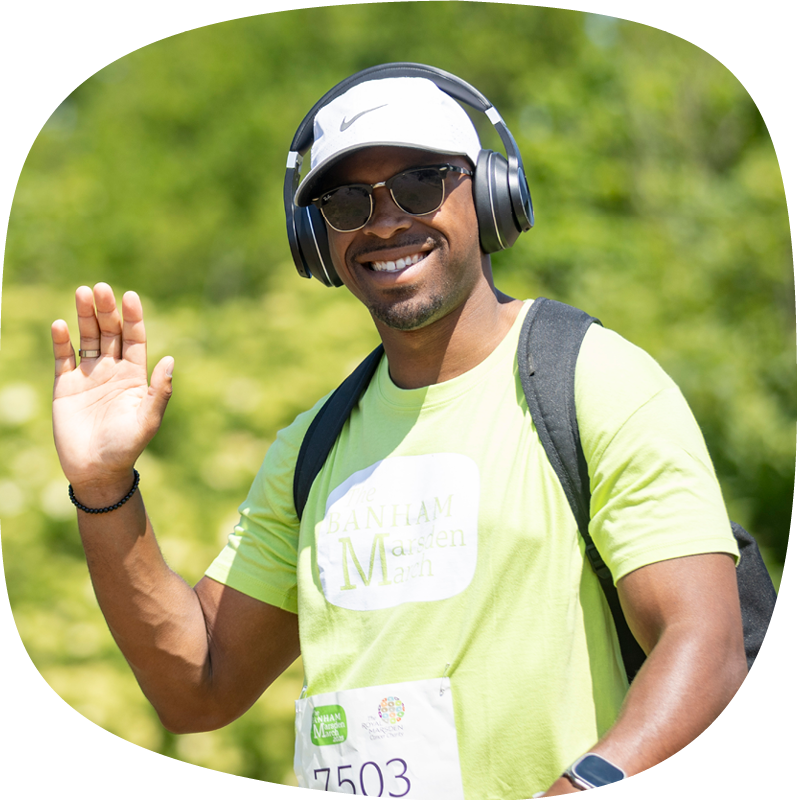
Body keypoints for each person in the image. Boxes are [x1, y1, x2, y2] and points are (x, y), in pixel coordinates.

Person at [51, 64, 747, 798]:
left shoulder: (593, 379)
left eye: (419, 184)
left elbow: (705, 649)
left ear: (488, 194)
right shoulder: (311, 447)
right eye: (346, 202)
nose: (384, 221)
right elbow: (198, 689)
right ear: (314, 238)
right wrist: (103, 487)